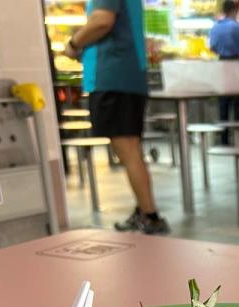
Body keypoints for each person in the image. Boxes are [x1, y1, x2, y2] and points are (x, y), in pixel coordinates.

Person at [65, 0, 170, 234]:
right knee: (131, 149)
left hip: (112, 77)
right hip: (126, 76)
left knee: (128, 150)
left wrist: (73, 43)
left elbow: (102, 21)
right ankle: (144, 210)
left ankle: (150, 216)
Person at [209, 0, 239, 143]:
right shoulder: (236, 27)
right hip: (235, 64)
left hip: (221, 64)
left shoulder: (215, 27)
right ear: (234, 11)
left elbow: (212, 47)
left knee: (223, 102)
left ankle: (224, 138)